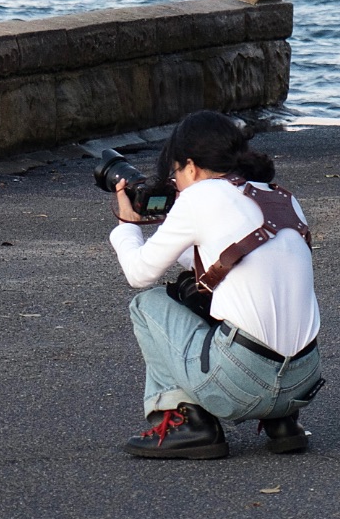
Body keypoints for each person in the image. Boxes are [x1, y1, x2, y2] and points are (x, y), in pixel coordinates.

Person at [108, 110, 323, 458]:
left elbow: (139, 274)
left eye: (175, 174)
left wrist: (126, 225)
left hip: (242, 383)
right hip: (303, 380)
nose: (175, 183)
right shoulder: (282, 196)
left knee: (147, 304)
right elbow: (212, 261)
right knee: (202, 292)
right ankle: (282, 420)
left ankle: (189, 423)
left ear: (190, 166)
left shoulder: (198, 197)